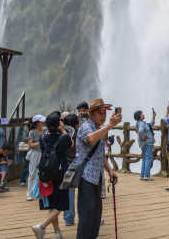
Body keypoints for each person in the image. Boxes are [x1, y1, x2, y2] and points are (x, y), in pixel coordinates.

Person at [72, 98, 121, 239]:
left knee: (96, 214)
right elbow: (91, 139)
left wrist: (110, 170)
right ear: (91, 114)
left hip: (97, 177)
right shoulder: (86, 126)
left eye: (105, 113)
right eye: (100, 113)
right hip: (86, 176)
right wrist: (110, 125)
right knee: (86, 214)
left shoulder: (98, 129)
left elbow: (100, 154)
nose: (103, 116)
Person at [30, 112, 73, 239]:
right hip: (60, 174)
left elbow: (43, 150)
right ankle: (41, 226)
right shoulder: (63, 137)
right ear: (58, 124)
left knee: (53, 204)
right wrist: (62, 129)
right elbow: (71, 143)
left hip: (47, 173)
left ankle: (57, 233)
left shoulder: (43, 137)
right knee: (61, 205)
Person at [62, 113, 79, 227]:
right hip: (75, 163)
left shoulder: (63, 133)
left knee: (69, 192)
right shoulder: (76, 133)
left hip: (64, 163)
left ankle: (68, 218)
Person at [27, 115, 46, 201]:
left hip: (43, 154)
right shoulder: (32, 132)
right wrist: (41, 142)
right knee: (32, 173)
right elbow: (30, 145)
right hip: (35, 154)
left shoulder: (45, 130)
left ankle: (37, 193)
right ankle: (29, 193)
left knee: (40, 174)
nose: (43, 122)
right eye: (41, 121)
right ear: (37, 123)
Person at [135, 108, 156, 181]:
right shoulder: (141, 123)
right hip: (147, 143)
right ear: (139, 116)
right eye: (142, 114)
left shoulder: (142, 123)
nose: (143, 115)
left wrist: (153, 116)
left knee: (145, 158)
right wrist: (143, 138)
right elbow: (140, 131)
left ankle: (142, 175)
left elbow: (151, 124)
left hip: (144, 143)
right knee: (148, 158)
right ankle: (147, 176)